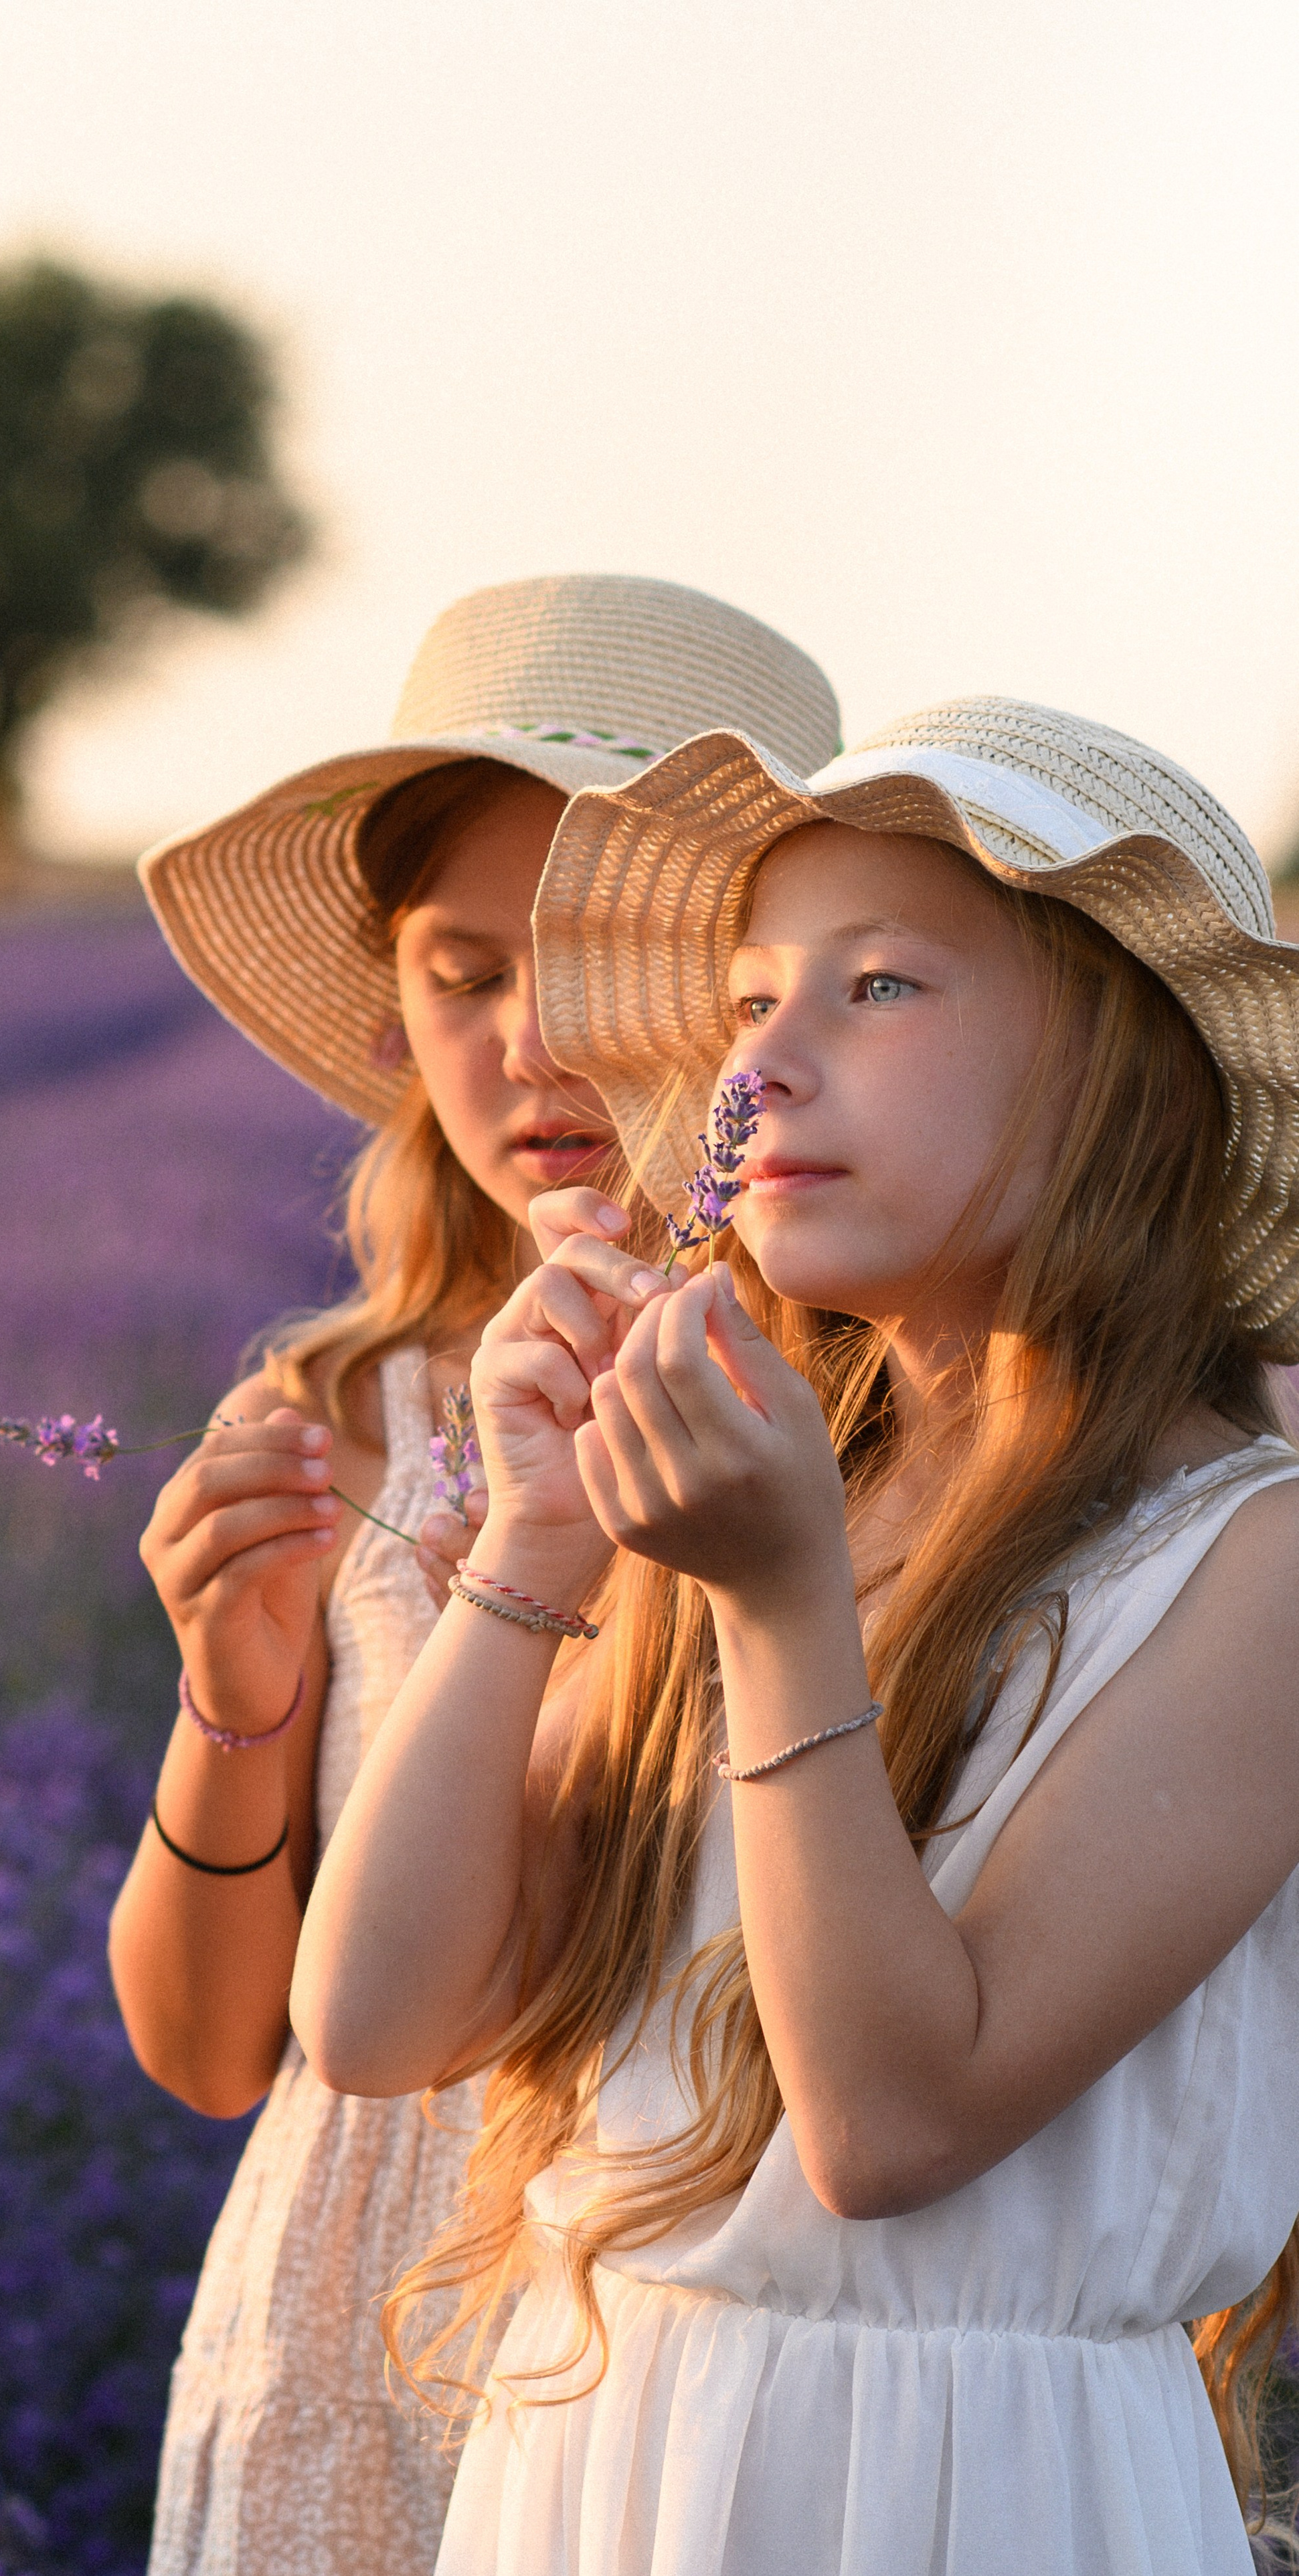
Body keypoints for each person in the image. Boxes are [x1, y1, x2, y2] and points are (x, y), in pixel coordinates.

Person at [292, 697, 1299, 2575]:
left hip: (977, 2496)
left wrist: (779, 1602)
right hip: (609, 2460)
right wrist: (535, 1551)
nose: (768, 1067)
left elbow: (894, 2126)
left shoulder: (1252, 1567)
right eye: (751, 1004)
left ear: (1112, 1077)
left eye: (881, 989)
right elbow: (379, 2019)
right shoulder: (767, 1479)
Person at [108, 572, 841, 2576]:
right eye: (462, 973)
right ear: (393, 1007)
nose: (532, 1047)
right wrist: (231, 1693)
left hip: (692, 2338)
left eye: (605, 965)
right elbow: (206, 2056)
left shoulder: (858, 1420)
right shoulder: (346, 1408)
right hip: (350, 2329)